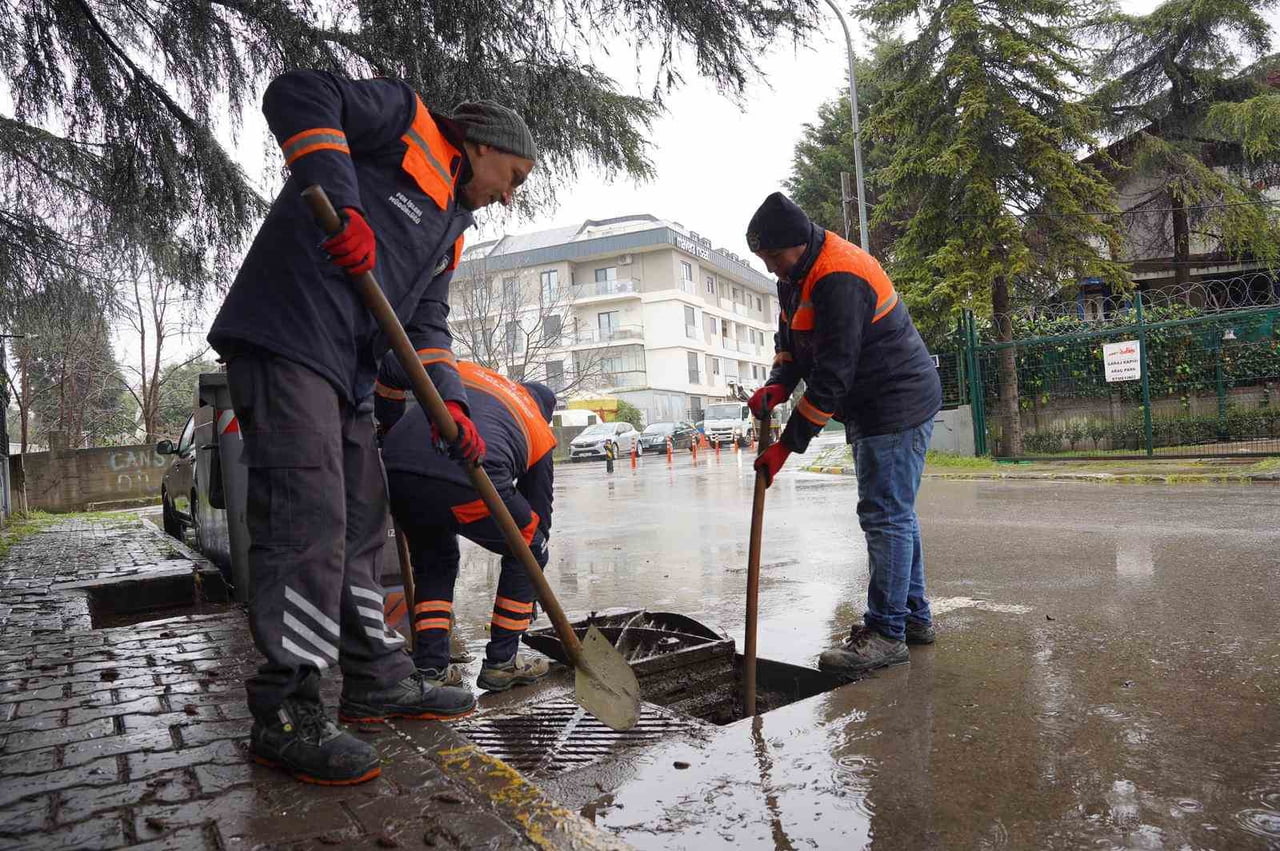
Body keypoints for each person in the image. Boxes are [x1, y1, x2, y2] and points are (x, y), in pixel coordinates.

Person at [206, 69, 537, 785]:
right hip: (290, 334)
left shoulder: (450, 226)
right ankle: (286, 710)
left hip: (348, 368)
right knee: (310, 518)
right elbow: (297, 93)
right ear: (481, 146)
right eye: (512, 176)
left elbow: (425, 328)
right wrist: (346, 205)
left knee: (363, 524)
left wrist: (449, 404)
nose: (510, 195)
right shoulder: (405, 118)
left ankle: (376, 678)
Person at [745, 192, 943, 676]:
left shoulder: (839, 274)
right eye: (765, 260)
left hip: (896, 400)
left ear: (794, 243)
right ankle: (912, 619)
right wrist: (777, 385)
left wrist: (786, 447)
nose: (771, 269)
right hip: (874, 401)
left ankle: (886, 634)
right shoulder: (795, 276)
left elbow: (834, 374)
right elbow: (790, 342)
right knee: (894, 513)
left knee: (884, 516)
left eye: (773, 257)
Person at [375, 360, 556, 692]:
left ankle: (431, 668)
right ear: (546, 412)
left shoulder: (467, 371)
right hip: (464, 473)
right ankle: (503, 663)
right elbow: (538, 518)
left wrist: (389, 428)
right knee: (531, 546)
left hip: (396, 471)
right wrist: (526, 585)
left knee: (435, 563)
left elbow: (389, 370)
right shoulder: (537, 426)